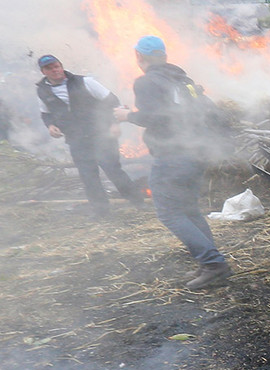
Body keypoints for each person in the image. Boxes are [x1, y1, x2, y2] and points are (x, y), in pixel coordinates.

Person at [113, 36, 232, 289]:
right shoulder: (182, 79)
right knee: (189, 210)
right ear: (164, 55)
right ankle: (209, 262)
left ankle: (213, 264)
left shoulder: (147, 82)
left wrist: (127, 115)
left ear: (139, 56)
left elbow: (156, 118)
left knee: (169, 212)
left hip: (173, 155)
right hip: (196, 153)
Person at [36, 55, 142, 218]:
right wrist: (51, 126)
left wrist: (114, 124)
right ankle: (101, 212)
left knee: (113, 170)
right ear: (43, 72)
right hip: (76, 140)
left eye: (57, 66)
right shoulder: (43, 91)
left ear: (61, 66)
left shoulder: (85, 82)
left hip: (101, 135)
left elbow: (112, 101)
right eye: (49, 68)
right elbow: (46, 114)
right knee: (88, 177)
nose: (55, 70)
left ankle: (138, 203)